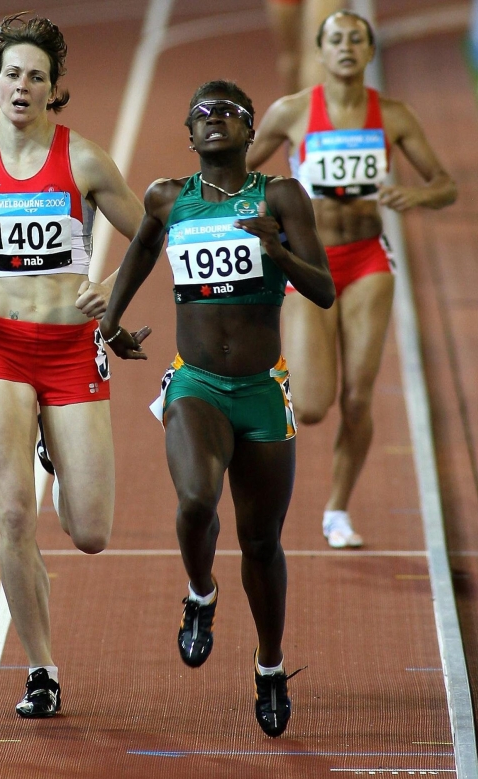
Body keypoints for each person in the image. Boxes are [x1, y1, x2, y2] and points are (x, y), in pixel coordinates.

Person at [0, 14, 144, 718]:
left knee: (91, 531)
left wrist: (115, 287)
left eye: (37, 76)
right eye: (13, 73)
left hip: (73, 350)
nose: (23, 84)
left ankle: (56, 443)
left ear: (52, 91)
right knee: (14, 513)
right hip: (1, 348)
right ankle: (42, 667)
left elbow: (149, 233)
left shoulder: (86, 160)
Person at [99, 80, 334, 737]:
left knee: (262, 542)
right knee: (197, 498)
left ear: (250, 129)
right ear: (189, 132)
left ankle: (269, 664)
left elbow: (322, 290)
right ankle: (200, 594)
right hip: (196, 382)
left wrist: (278, 250)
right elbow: (142, 248)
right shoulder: (168, 198)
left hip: (263, 390)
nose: (215, 120)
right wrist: (111, 322)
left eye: (229, 113)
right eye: (203, 113)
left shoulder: (281, 196)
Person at [247, 10, 456, 548]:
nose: (345, 47)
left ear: (369, 53)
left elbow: (445, 184)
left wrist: (417, 195)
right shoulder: (292, 112)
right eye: (335, 39)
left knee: (359, 399)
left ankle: (337, 509)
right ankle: (249, 422)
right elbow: (235, 171)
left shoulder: (394, 115)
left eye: (355, 40)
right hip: (311, 262)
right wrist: (256, 210)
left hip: (367, 261)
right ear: (321, 51)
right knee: (313, 405)